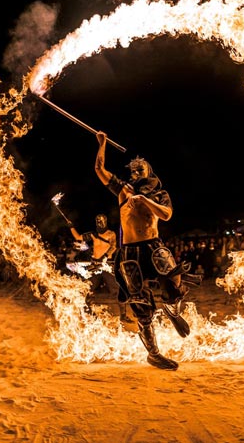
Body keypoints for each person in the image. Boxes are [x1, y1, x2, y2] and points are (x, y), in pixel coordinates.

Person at [93, 130, 196, 371]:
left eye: (141, 169)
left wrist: (144, 200)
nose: (136, 173)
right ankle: (154, 354)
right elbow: (99, 169)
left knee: (173, 285)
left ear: (149, 171)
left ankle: (173, 310)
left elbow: (167, 215)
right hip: (129, 251)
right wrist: (102, 143)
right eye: (133, 170)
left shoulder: (160, 194)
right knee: (140, 303)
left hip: (153, 246)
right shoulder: (123, 190)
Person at [67, 213, 133, 323]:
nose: (100, 224)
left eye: (102, 221)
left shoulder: (111, 234)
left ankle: (123, 315)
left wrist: (105, 257)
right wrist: (71, 227)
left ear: (105, 222)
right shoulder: (93, 234)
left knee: (117, 290)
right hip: (95, 266)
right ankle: (86, 313)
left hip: (107, 266)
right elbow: (78, 237)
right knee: (87, 288)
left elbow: (113, 246)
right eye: (98, 222)